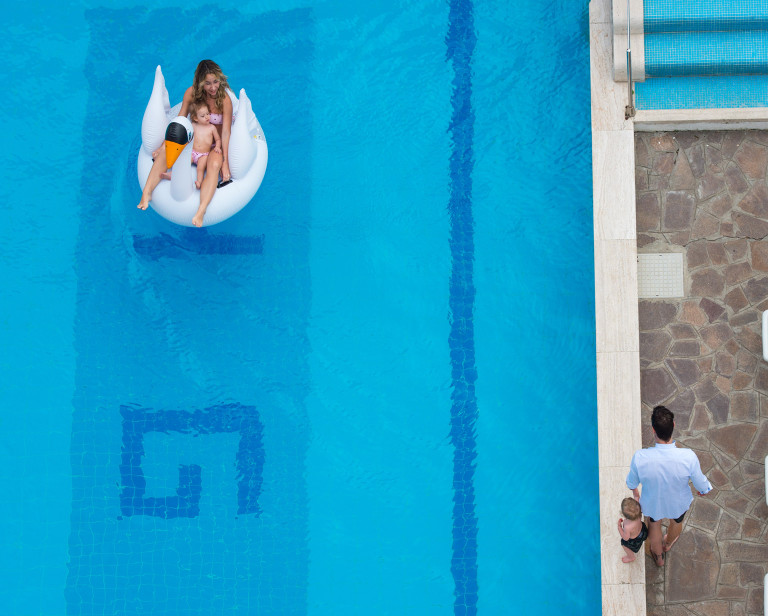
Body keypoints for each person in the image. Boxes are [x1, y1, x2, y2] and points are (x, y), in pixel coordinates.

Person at [137, 59, 234, 227]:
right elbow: (181, 118)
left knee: (214, 165)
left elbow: (225, 132)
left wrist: (225, 162)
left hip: (213, 146)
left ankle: (201, 211)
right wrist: (163, 145)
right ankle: (147, 192)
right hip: (195, 139)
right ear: (200, 82)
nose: (213, 87)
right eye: (208, 83)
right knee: (167, 152)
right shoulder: (191, 93)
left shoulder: (224, 100)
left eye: (216, 82)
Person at [626, 405, 712, 567]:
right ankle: (668, 543)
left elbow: (631, 483)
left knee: (654, 526)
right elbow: (701, 484)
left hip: (654, 504)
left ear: (653, 429)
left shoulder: (640, 457)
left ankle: (658, 557)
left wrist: (636, 495)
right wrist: (703, 490)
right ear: (673, 426)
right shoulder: (688, 457)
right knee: (677, 523)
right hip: (678, 504)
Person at [162, 102, 222, 190]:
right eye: (203, 116)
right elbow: (188, 136)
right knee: (184, 162)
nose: (207, 117)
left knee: (200, 168)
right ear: (195, 118)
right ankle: (172, 174)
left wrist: (217, 147)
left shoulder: (211, 128)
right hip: (192, 152)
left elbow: (218, 139)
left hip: (203, 155)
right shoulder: (193, 125)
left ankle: (199, 182)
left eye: (208, 113)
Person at [617, 497, 648, 563]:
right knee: (641, 537)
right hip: (643, 531)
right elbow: (637, 498)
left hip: (634, 540)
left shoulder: (627, 526)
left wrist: (619, 527)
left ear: (624, 516)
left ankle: (631, 557)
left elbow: (625, 538)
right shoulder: (638, 512)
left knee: (624, 544)